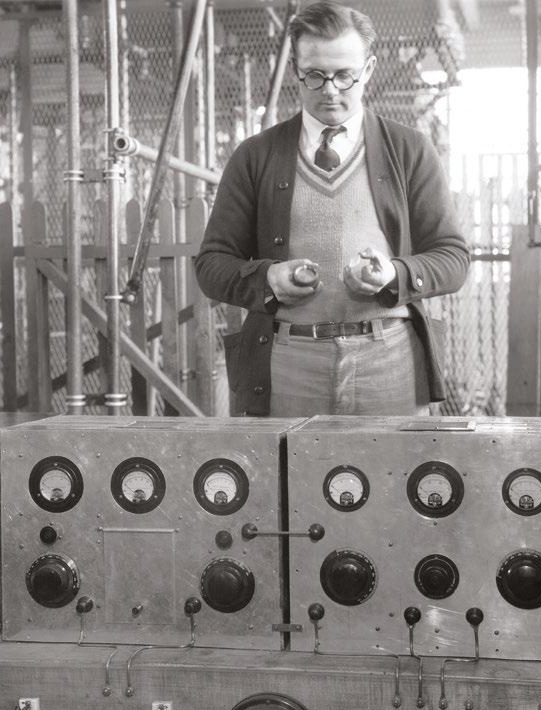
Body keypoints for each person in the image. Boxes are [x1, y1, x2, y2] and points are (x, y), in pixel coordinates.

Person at [194, 0, 469, 417]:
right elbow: (211, 265)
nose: (330, 90)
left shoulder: (411, 150)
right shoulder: (254, 156)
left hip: (390, 364)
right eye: (315, 75)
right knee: (286, 462)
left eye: (344, 75)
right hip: (288, 366)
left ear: (369, 69)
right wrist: (268, 278)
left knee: (395, 461)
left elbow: (453, 259)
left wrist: (393, 274)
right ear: (295, 70)